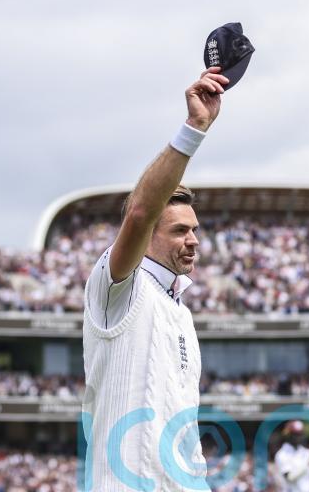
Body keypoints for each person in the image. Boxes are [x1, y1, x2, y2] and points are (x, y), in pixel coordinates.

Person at [81, 67, 229, 491]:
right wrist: (195, 128)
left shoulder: (179, 310)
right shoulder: (118, 289)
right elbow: (142, 211)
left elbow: (184, 431)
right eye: (180, 230)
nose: (193, 240)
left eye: (194, 229)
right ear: (146, 235)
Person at [273, 420, 309, 492]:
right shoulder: (282, 454)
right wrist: (307, 462)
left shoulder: (306, 452)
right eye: (295, 434)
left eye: (300, 434)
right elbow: (290, 477)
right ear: (288, 435)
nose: (299, 437)